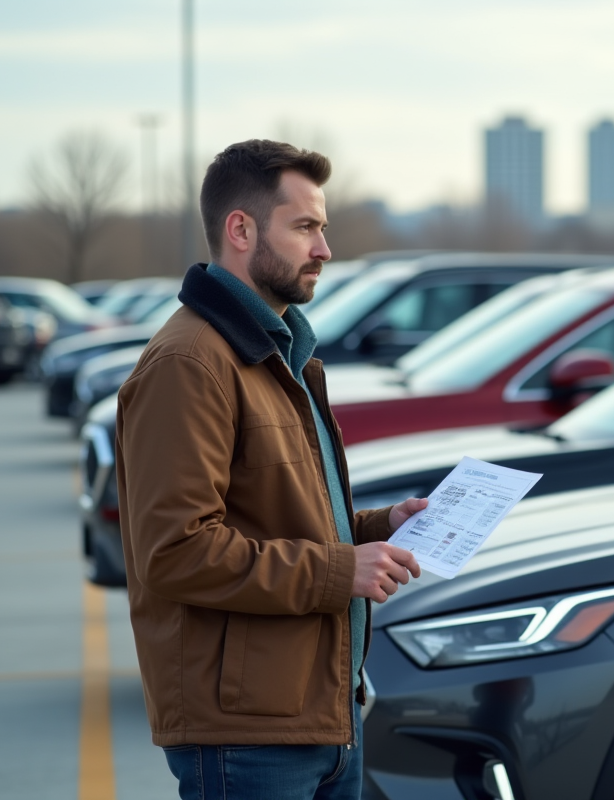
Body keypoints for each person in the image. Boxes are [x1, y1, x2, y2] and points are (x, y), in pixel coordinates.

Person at [115, 139, 425, 800]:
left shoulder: (280, 352)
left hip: (323, 714)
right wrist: (344, 570)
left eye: (324, 228)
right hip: (246, 738)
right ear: (240, 230)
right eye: (305, 227)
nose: (324, 249)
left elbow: (277, 514)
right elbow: (175, 551)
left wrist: (376, 528)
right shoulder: (191, 363)